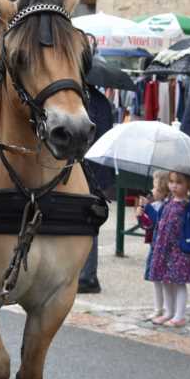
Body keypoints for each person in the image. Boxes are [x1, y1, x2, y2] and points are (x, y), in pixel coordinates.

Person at [137, 170, 190, 328]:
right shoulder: (169, 201)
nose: (174, 186)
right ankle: (169, 312)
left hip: (181, 249)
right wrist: (147, 208)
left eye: (179, 182)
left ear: (188, 185)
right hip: (165, 248)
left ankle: (179, 315)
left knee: (179, 282)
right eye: (171, 182)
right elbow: (158, 219)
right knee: (165, 280)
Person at [77, 72, 114, 294]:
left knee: (87, 223)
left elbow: (91, 138)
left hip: (89, 171)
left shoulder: (91, 101)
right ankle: (85, 274)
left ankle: (88, 276)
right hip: (95, 171)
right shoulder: (100, 100)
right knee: (87, 223)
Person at [138, 171, 171, 321]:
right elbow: (148, 225)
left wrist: (148, 209)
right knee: (155, 279)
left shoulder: (166, 206)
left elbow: (159, 220)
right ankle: (158, 308)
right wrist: (140, 215)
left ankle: (167, 309)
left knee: (163, 279)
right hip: (154, 245)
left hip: (162, 247)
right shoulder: (155, 204)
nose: (152, 191)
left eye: (157, 189)